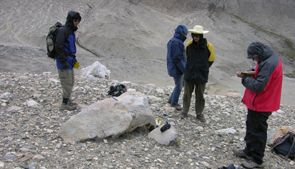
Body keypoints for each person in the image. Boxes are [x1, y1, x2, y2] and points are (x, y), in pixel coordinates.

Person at [234, 41, 283, 168]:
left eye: (254, 57)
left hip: (263, 103)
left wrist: (244, 78)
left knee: (258, 131)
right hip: (258, 103)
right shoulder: (267, 58)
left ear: (259, 54)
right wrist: (251, 72)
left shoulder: (268, 63)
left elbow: (258, 86)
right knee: (251, 125)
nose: (254, 60)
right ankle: (249, 151)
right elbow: (262, 74)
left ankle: (257, 159)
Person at [180, 25, 215, 122]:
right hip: (189, 73)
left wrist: (203, 68)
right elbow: (187, 57)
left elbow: (211, 60)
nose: (196, 37)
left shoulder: (209, 46)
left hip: (201, 74)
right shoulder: (189, 45)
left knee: (200, 95)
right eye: (194, 35)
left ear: (201, 36)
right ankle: (184, 111)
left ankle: (199, 113)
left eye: (198, 35)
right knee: (187, 93)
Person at [55, 11, 81, 111]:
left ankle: (68, 99)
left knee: (70, 81)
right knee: (66, 82)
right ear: (70, 20)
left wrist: (73, 59)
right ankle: (64, 104)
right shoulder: (63, 31)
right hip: (63, 61)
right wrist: (63, 60)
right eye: (75, 20)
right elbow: (59, 47)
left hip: (69, 60)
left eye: (78, 20)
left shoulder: (70, 31)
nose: (77, 22)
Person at [166, 25, 188, 111]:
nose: (186, 36)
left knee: (179, 84)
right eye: (185, 34)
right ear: (181, 33)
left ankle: (171, 99)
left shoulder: (173, 40)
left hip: (174, 66)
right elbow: (177, 58)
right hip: (177, 67)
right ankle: (174, 103)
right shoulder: (177, 42)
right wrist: (184, 69)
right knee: (179, 85)